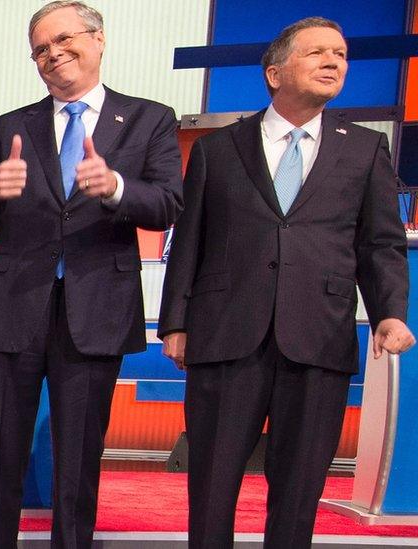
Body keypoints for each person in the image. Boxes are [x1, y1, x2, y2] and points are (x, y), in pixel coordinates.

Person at [158, 17, 415, 549]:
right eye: (318, 52)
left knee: (299, 490)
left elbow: (379, 243)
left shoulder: (365, 150)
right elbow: (190, 241)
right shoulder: (218, 149)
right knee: (211, 484)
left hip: (319, 337)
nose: (334, 62)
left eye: (340, 54)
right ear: (274, 73)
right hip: (225, 335)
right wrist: (176, 323)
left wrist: (390, 312)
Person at [0, 1, 183, 546]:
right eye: (40, 48)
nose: (53, 54)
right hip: (13, 310)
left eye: (63, 40)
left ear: (98, 39)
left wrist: (118, 188)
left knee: (79, 457)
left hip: (96, 310)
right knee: (2, 456)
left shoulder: (150, 118)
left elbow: (170, 204)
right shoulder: (11, 126)